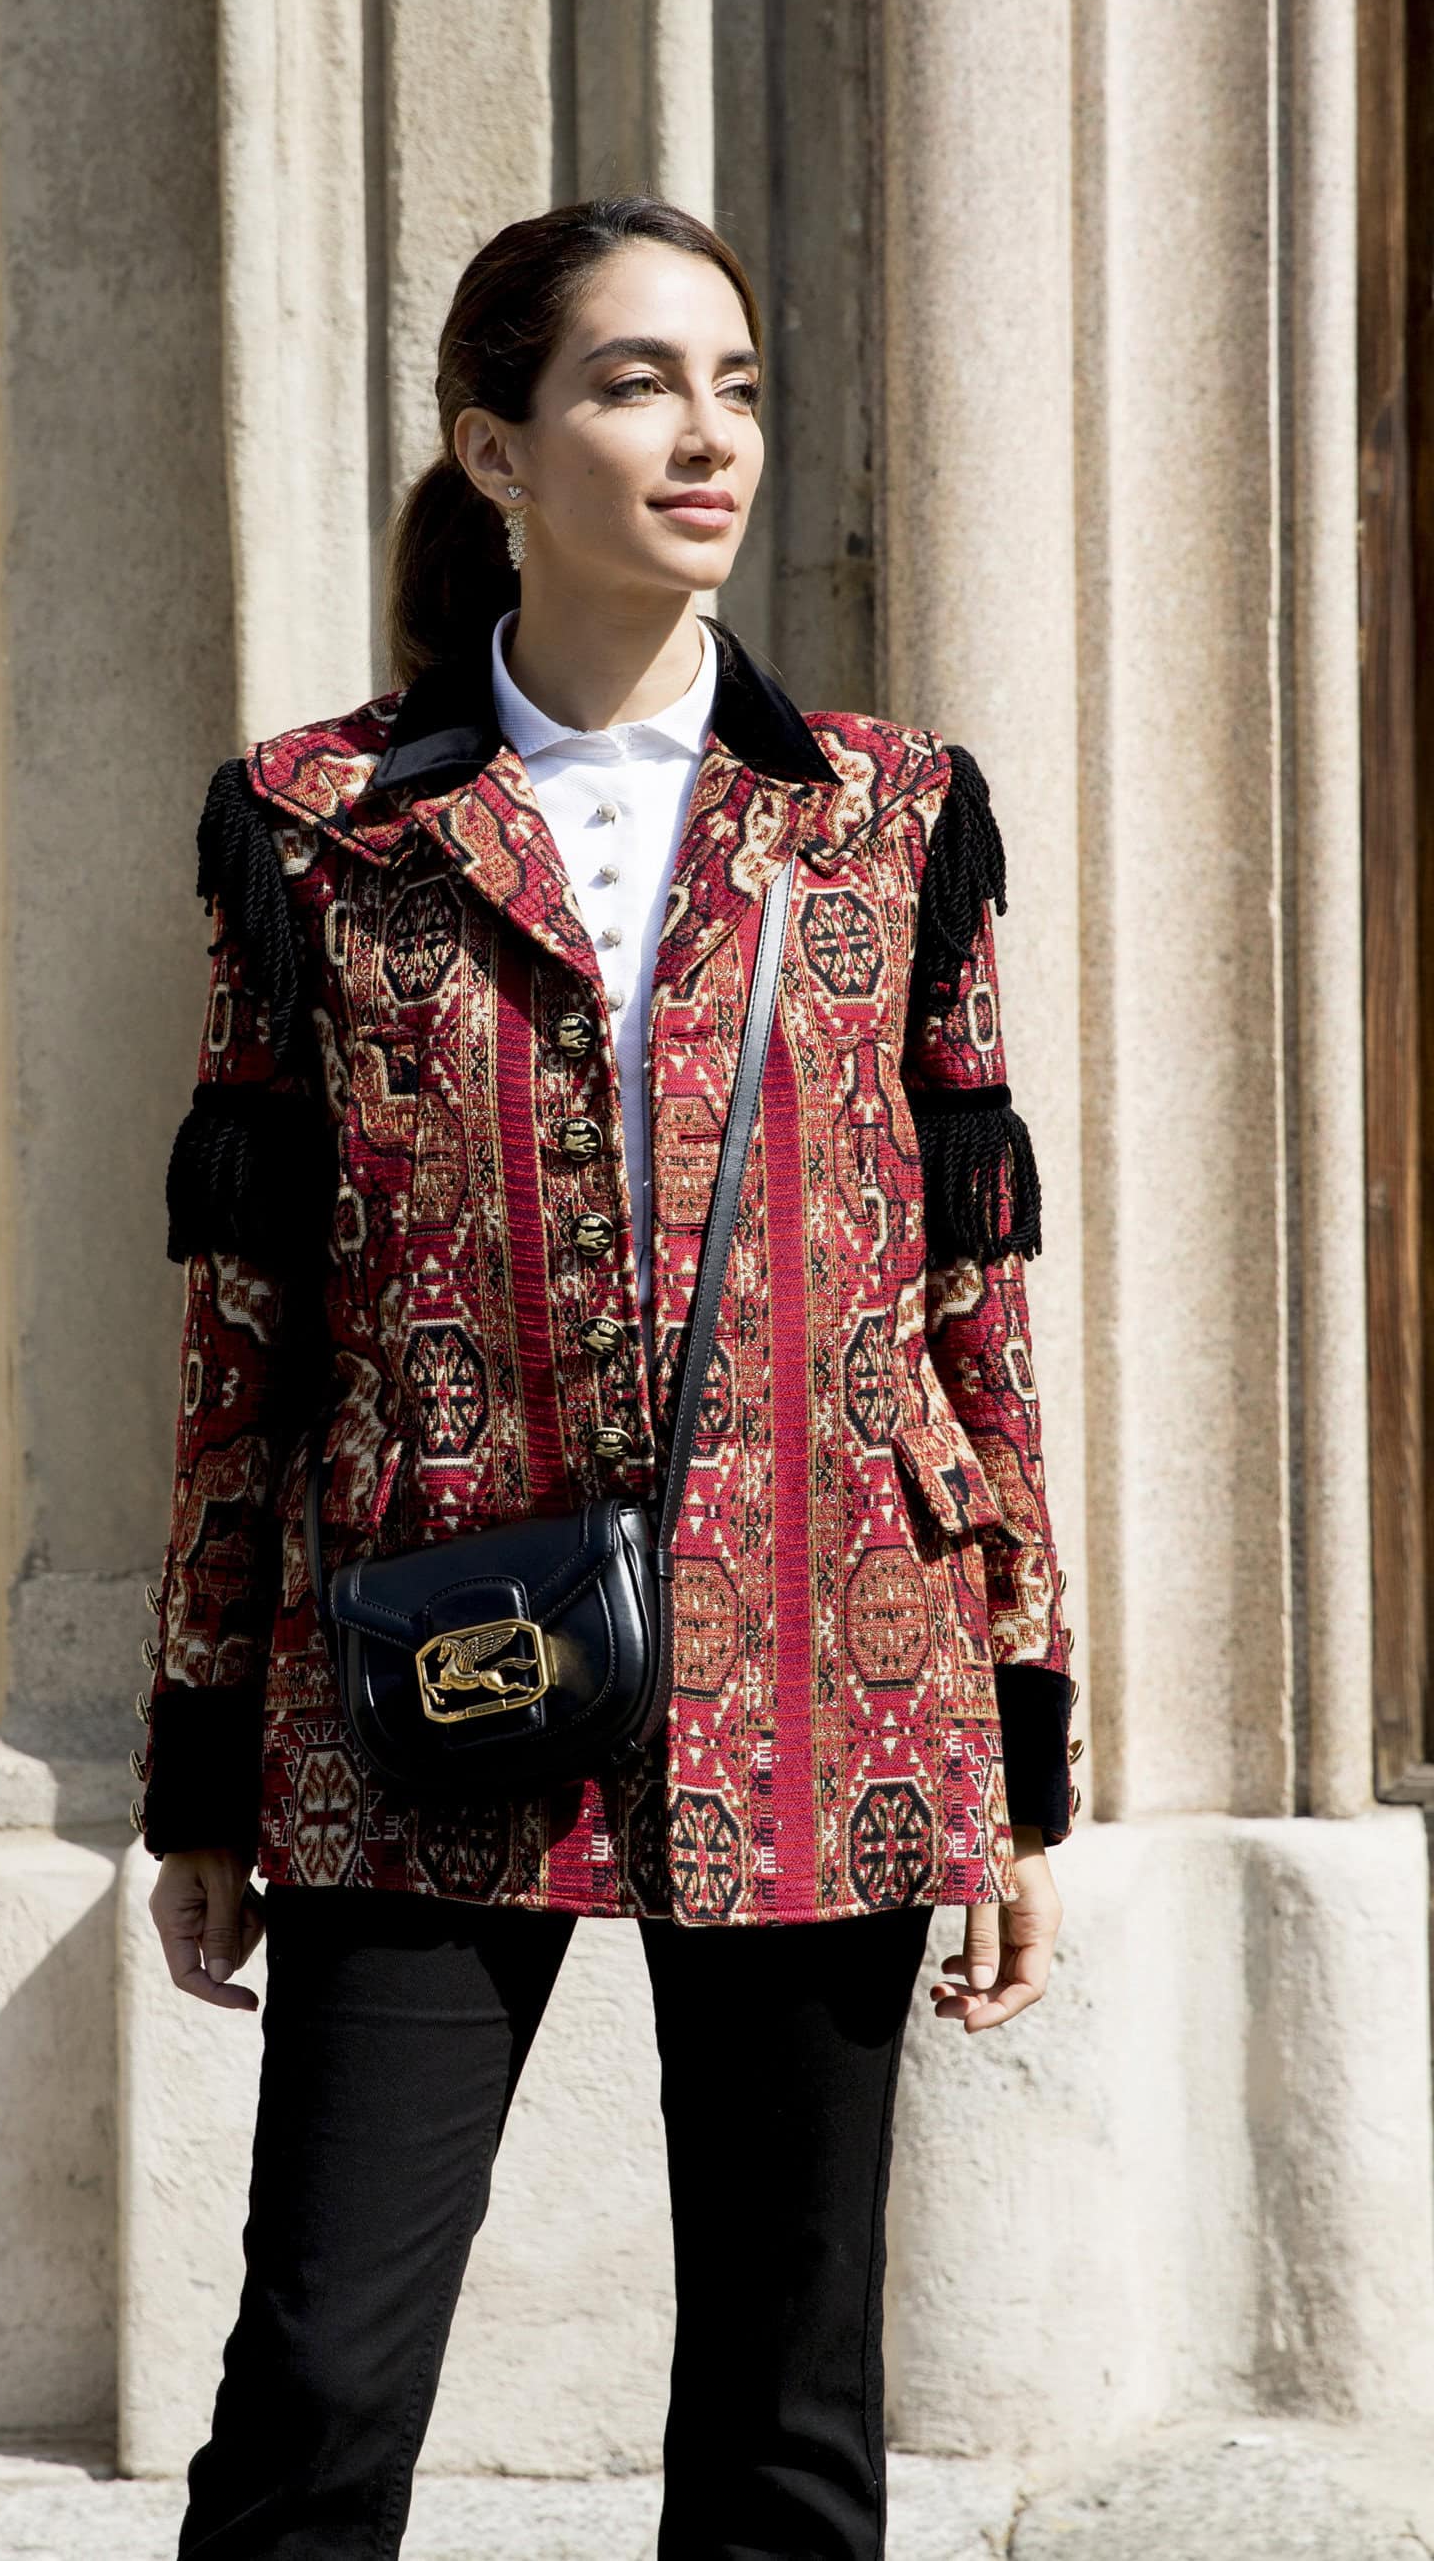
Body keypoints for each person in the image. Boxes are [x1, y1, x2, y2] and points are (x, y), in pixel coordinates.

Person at [134, 192, 1078, 2561]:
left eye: (734, 386)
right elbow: (243, 1323)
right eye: (636, 384)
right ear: (495, 449)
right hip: (429, 1654)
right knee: (316, 2391)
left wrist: (1021, 1739)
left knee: (787, 2415)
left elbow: (974, 1299)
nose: (706, 435)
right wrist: (202, 1754)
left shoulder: (889, 816)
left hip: (831, 1667)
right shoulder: (319, 823)